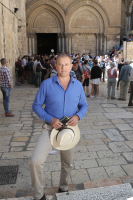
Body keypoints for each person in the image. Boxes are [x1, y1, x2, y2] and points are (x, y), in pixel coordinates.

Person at [31, 53, 88, 200]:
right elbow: (36, 105)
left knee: (67, 163)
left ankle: (63, 188)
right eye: (60, 64)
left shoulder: (78, 86)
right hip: (50, 128)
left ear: (72, 66)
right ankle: (39, 195)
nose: (63, 67)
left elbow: (84, 105)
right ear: (55, 66)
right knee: (35, 161)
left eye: (66, 64)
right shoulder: (47, 84)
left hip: (70, 130)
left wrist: (78, 116)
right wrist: (50, 119)